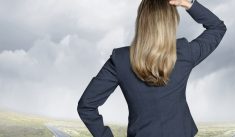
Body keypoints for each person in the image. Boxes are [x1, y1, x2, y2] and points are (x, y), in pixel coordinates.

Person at [77, 0, 227, 136]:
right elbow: (217, 27)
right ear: (170, 22)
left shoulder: (120, 59)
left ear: (142, 20)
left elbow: (86, 105)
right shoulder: (184, 52)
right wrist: (190, 4)